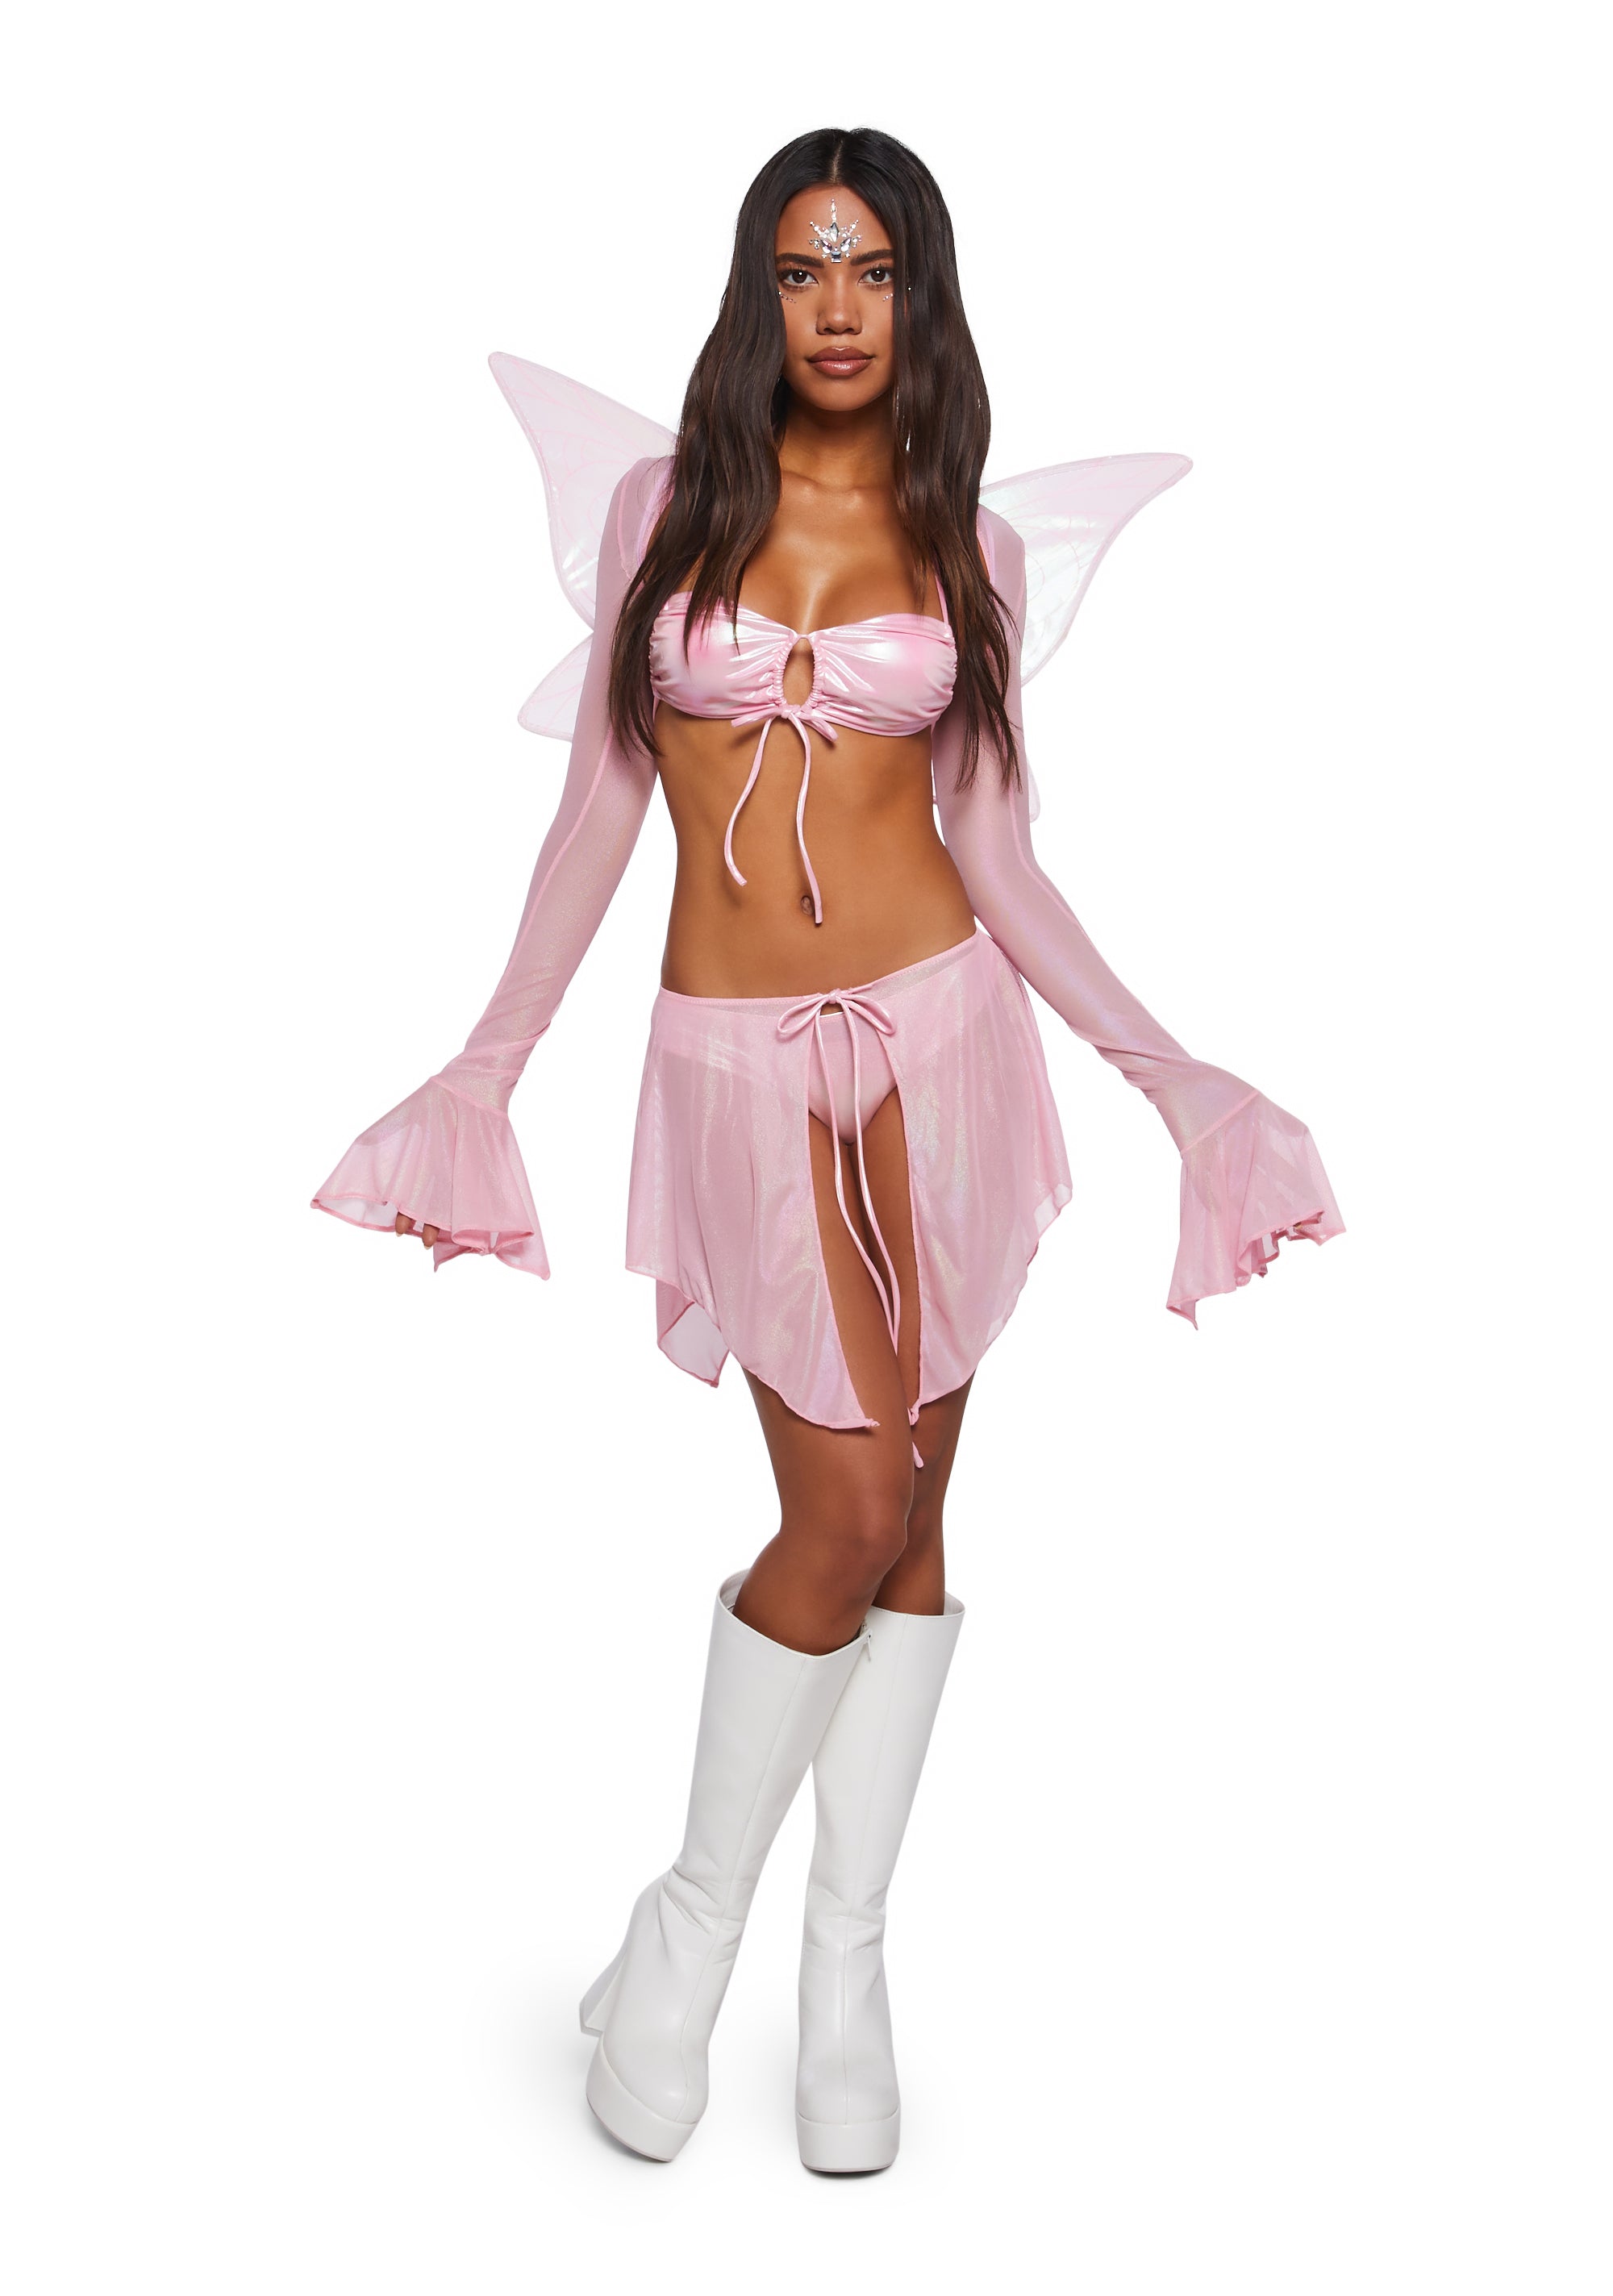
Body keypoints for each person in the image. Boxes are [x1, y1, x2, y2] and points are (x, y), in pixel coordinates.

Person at [313, 126, 1343, 2171]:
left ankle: (847, 1964)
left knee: (919, 1509)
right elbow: (601, 810)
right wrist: (487, 1065)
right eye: (802, 268)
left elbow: (995, 850)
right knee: (849, 1495)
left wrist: (1175, 1077)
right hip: (732, 1059)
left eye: (872, 268)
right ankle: (689, 1929)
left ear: (922, 293)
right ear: (757, 292)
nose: (839, 307)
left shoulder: (970, 542)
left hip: (942, 1040)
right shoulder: (666, 507)